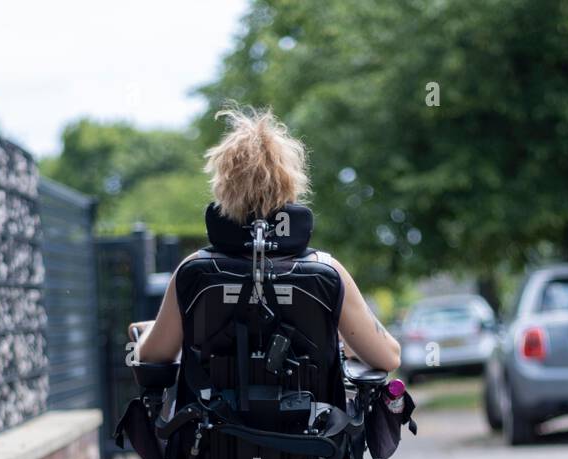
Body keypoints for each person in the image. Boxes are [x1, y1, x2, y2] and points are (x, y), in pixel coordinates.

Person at [131, 107, 401, 372]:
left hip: (211, 416)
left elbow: (155, 354)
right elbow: (388, 358)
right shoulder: (326, 272)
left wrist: (147, 333)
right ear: (291, 184)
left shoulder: (194, 270)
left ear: (223, 185)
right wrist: (343, 339)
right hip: (312, 416)